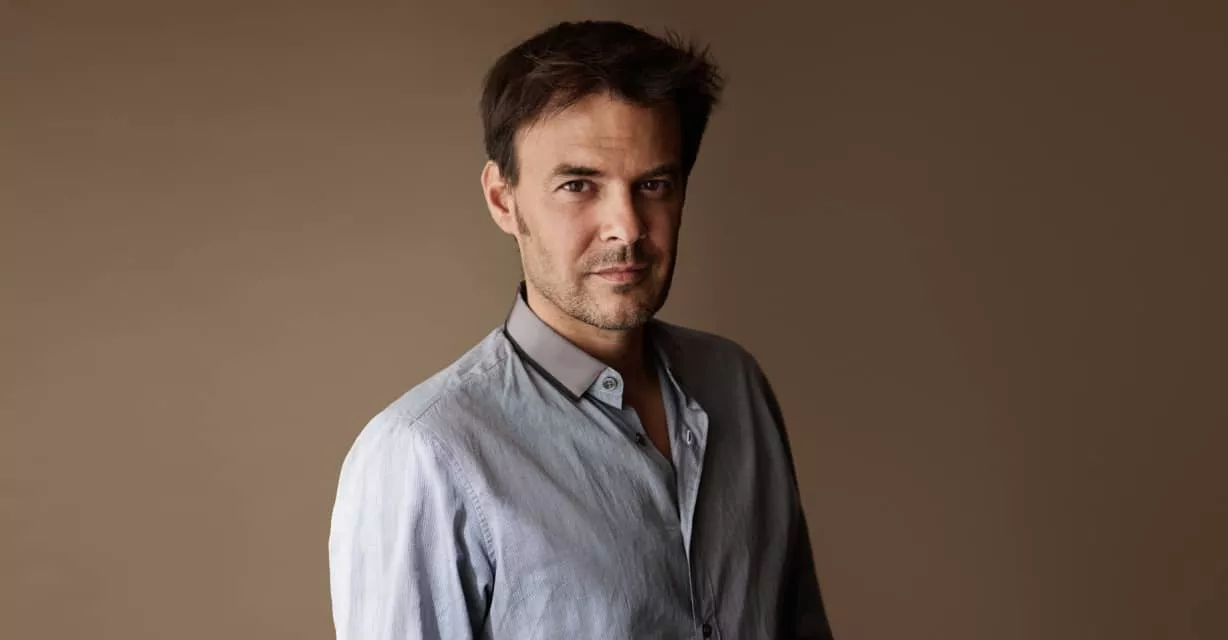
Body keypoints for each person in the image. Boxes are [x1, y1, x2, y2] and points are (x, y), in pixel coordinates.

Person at [328, 20, 834, 639]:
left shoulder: (737, 385)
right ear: (503, 200)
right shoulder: (424, 455)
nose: (627, 227)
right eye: (578, 185)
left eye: (653, 184)